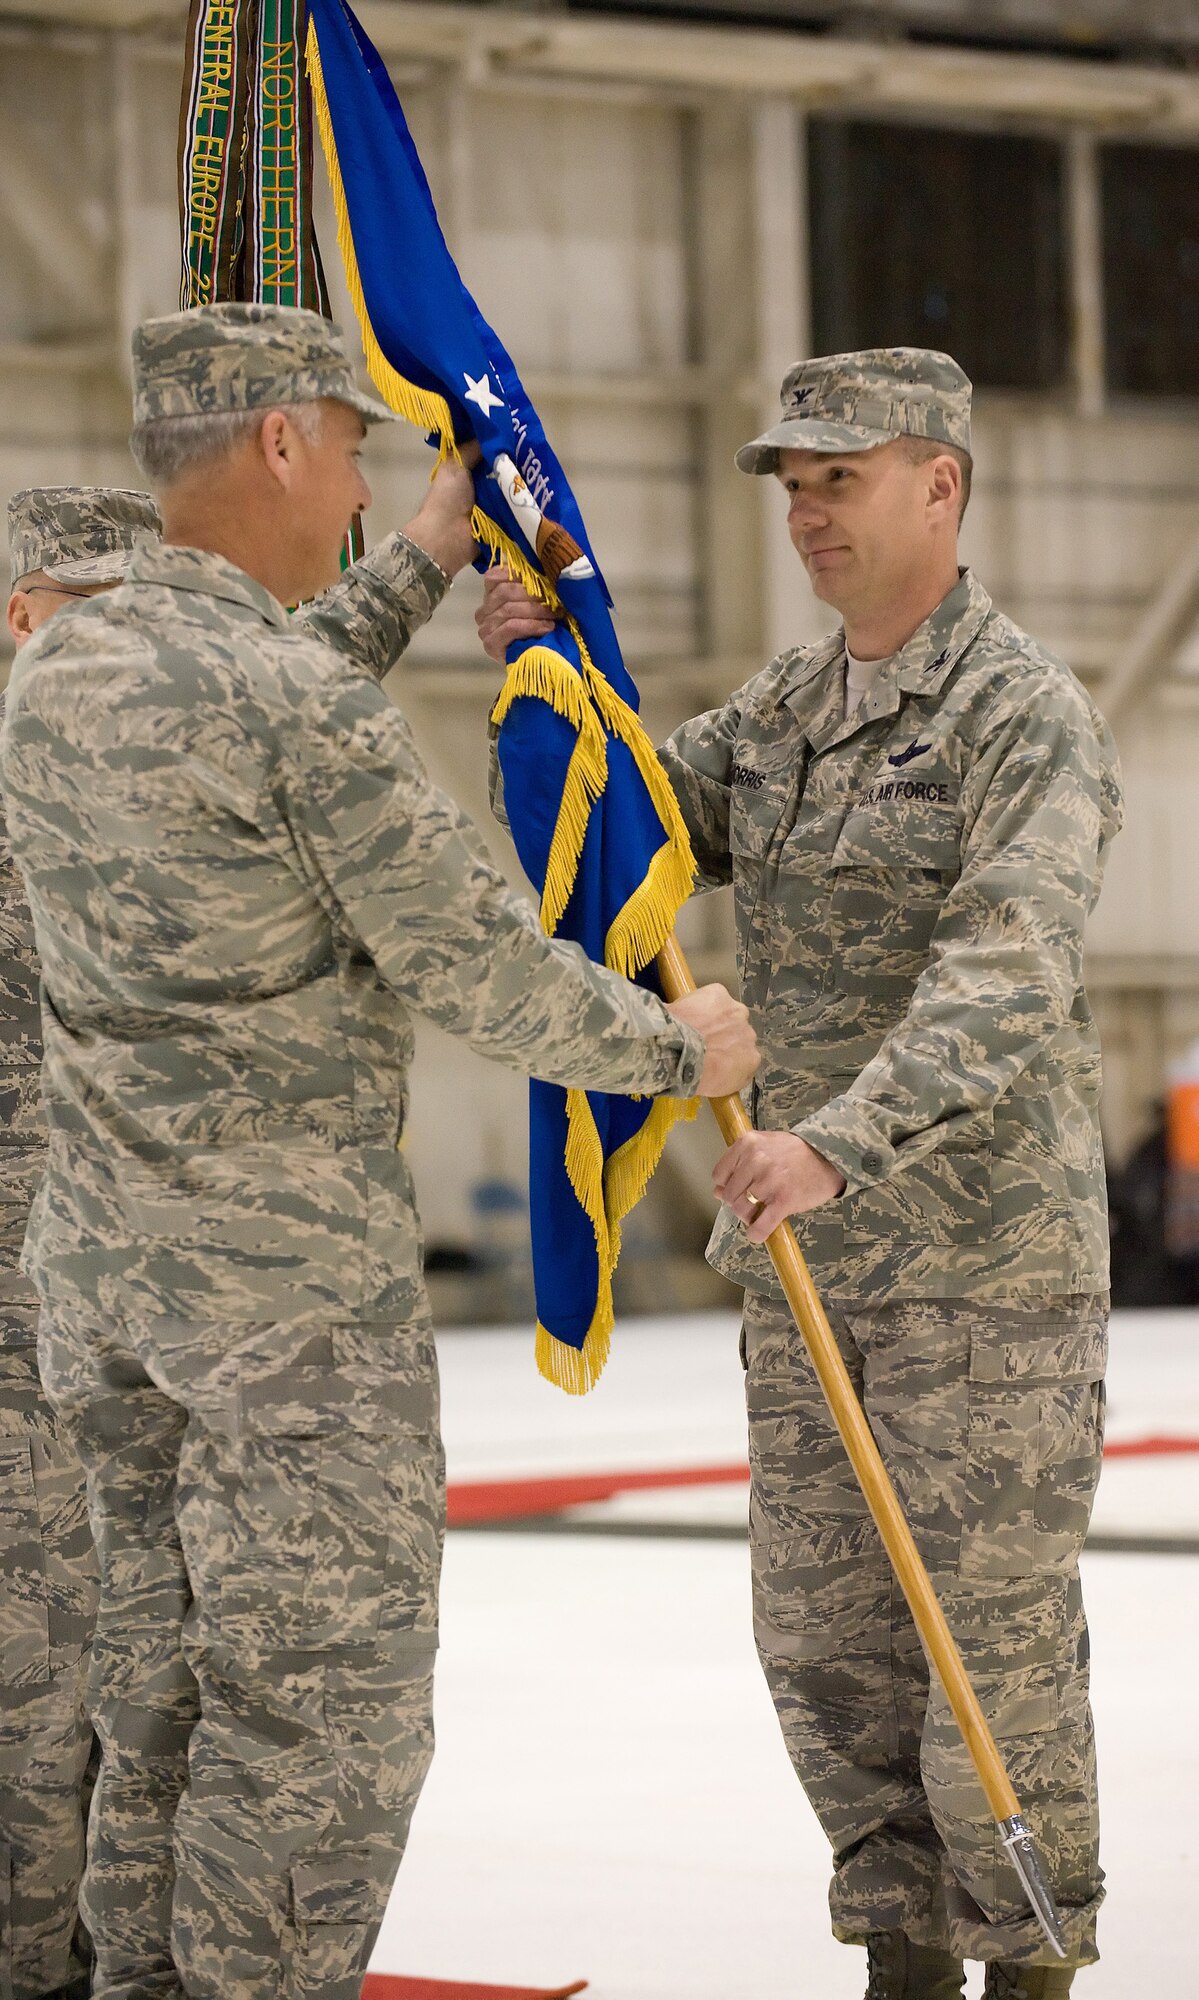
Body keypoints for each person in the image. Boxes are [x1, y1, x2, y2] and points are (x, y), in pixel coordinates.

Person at [0, 301, 756, 2000]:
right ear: (278, 442)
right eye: (348, 444)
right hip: (286, 1322)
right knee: (320, 1716)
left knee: (164, 1688)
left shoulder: (56, 674)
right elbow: (472, 964)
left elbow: (251, 718)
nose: (356, 475)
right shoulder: (280, 701)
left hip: (110, 1305)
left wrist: (416, 559)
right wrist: (674, 1042)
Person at [476, 348, 1122, 2000]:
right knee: (827, 1651)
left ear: (941, 484)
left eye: (841, 475)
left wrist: (836, 1140)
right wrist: (545, 688)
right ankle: (899, 1960)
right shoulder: (780, 718)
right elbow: (628, 830)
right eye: (792, 481)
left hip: (981, 1275)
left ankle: (1034, 1963)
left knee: (984, 1649)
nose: (808, 510)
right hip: (815, 1270)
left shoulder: (1019, 713)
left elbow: (1009, 966)